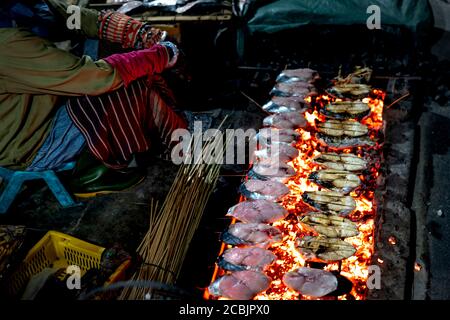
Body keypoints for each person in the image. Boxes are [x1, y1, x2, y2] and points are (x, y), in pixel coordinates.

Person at [0, 0, 187, 197]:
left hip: (35, 109)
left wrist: (139, 33)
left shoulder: (15, 8)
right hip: (30, 144)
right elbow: (98, 77)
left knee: (109, 58)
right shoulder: (6, 44)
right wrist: (160, 56)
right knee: (129, 85)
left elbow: (71, 18)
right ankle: (90, 173)